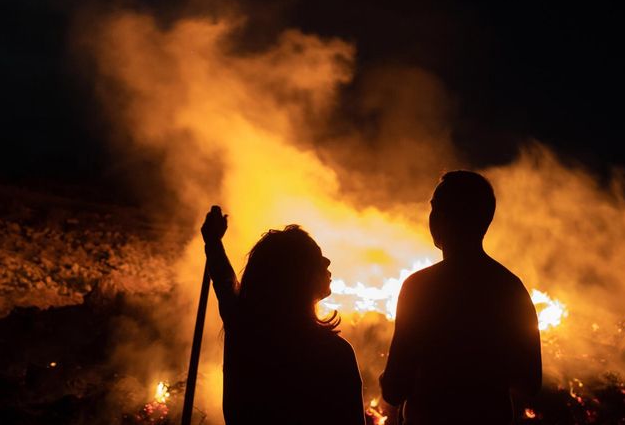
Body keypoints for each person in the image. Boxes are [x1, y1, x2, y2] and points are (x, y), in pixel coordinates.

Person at [380, 171, 542, 424]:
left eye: (434, 208)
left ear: (442, 217)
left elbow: (394, 388)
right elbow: (530, 383)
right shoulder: (510, 288)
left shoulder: (420, 288)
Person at [200, 205, 365, 425]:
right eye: (317, 258)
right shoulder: (335, 353)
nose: (327, 262)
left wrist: (213, 243)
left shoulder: (244, 329)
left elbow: (224, 281)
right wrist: (212, 243)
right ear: (299, 277)